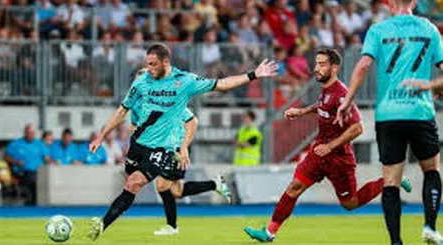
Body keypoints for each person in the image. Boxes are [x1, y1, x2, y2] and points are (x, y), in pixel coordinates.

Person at [87, 43, 278, 240]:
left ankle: (103, 224)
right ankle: (207, 190)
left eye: (153, 64)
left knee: (140, 184)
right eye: (147, 64)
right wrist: (101, 137)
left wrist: (253, 75)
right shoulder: (141, 83)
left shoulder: (184, 81)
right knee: (143, 186)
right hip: (137, 145)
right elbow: (122, 111)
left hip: (164, 149)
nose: (149, 69)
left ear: (165, 62)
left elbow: (220, 84)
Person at [244, 48, 412, 242]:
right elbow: (323, 106)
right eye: (316, 63)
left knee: (350, 203)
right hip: (319, 152)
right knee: (294, 187)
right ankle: (269, 232)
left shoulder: (342, 95)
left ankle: (391, 181)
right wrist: (302, 111)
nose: (316, 68)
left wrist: (331, 146)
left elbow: (357, 128)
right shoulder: (326, 91)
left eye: (322, 64)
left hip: (338, 158)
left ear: (334, 68)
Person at [335, 0, 443, 244]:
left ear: (389, 3)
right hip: (420, 113)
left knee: (391, 181)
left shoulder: (378, 30)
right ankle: (429, 226)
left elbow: (362, 66)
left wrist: (348, 99)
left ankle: (395, 241)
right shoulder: (429, 28)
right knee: (431, 171)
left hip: (388, 115)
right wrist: (429, 86)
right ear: (414, 2)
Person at [129, 70, 232, 236]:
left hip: (174, 146)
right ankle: (215, 184)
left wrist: (182, 147)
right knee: (176, 191)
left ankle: (172, 226)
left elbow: (192, 120)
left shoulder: (164, 99)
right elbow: (137, 129)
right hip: (162, 147)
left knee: (162, 185)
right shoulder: (138, 105)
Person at [5, 124, 52, 205]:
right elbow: (6, 157)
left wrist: (54, 163)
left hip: (39, 172)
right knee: (32, 177)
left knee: (44, 177)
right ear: (25, 132)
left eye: (32, 133)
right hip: (22, 172)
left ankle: (39, 201)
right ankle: (33, 201)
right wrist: (16, 162)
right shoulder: (16, 144)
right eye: (29, 133)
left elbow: (47, 158)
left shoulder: (40, 144)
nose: (31, 135)